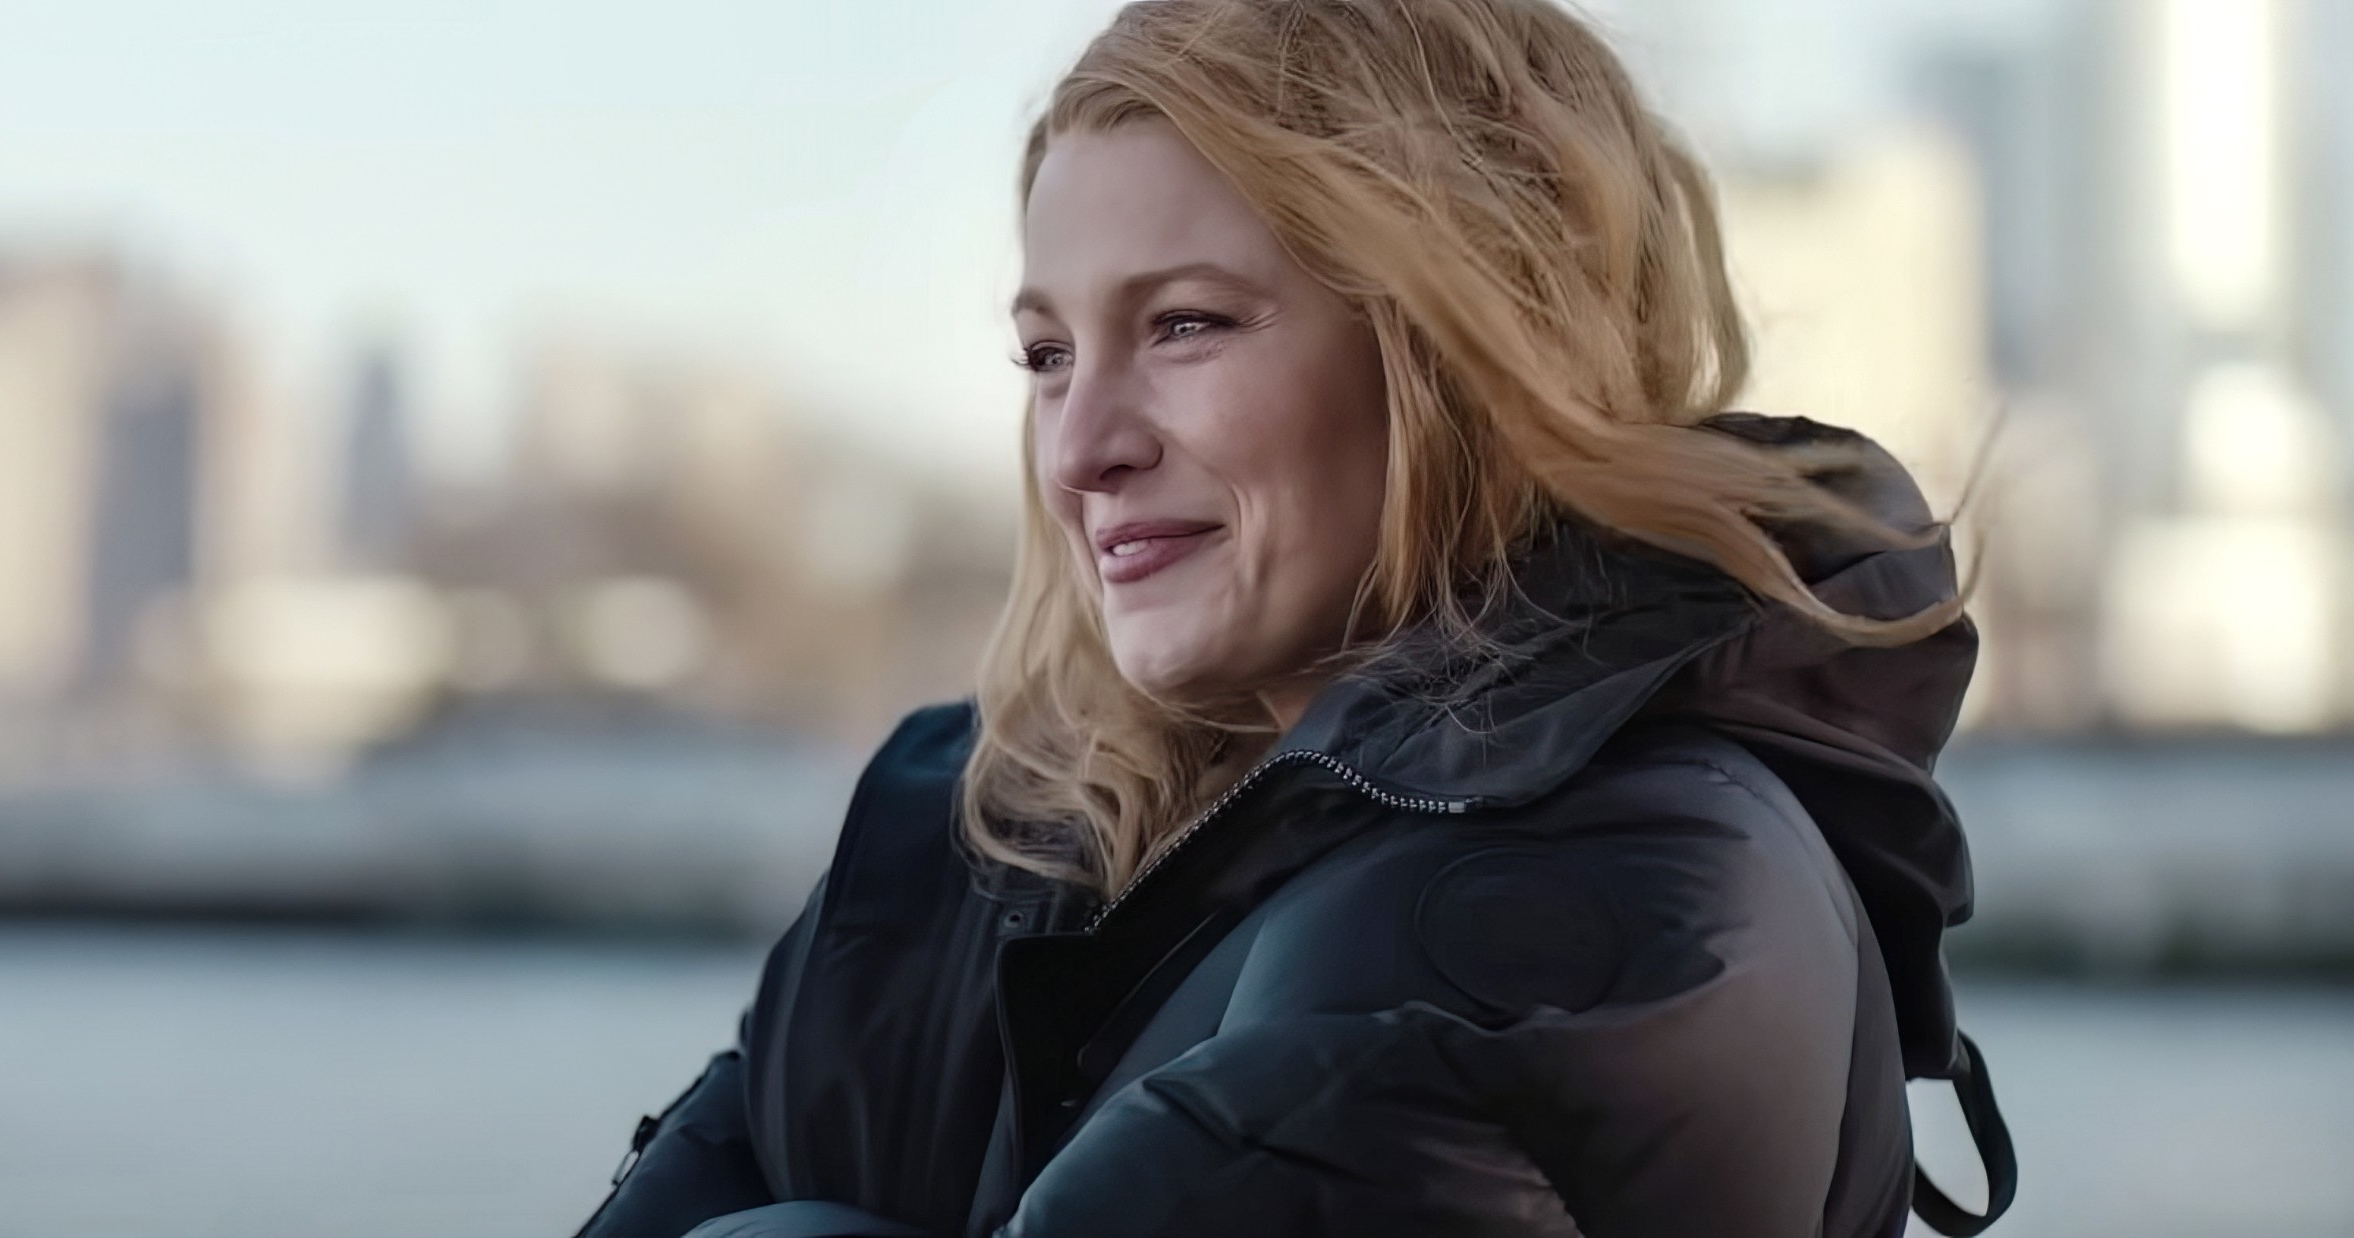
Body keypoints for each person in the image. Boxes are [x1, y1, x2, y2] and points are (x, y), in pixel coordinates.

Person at [577, 1, 2015, 1235]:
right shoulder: (983, 850)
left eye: (1187, 324)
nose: (1082, 448)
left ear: (1458, 345)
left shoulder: (1615, 899)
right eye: (1047, 353)